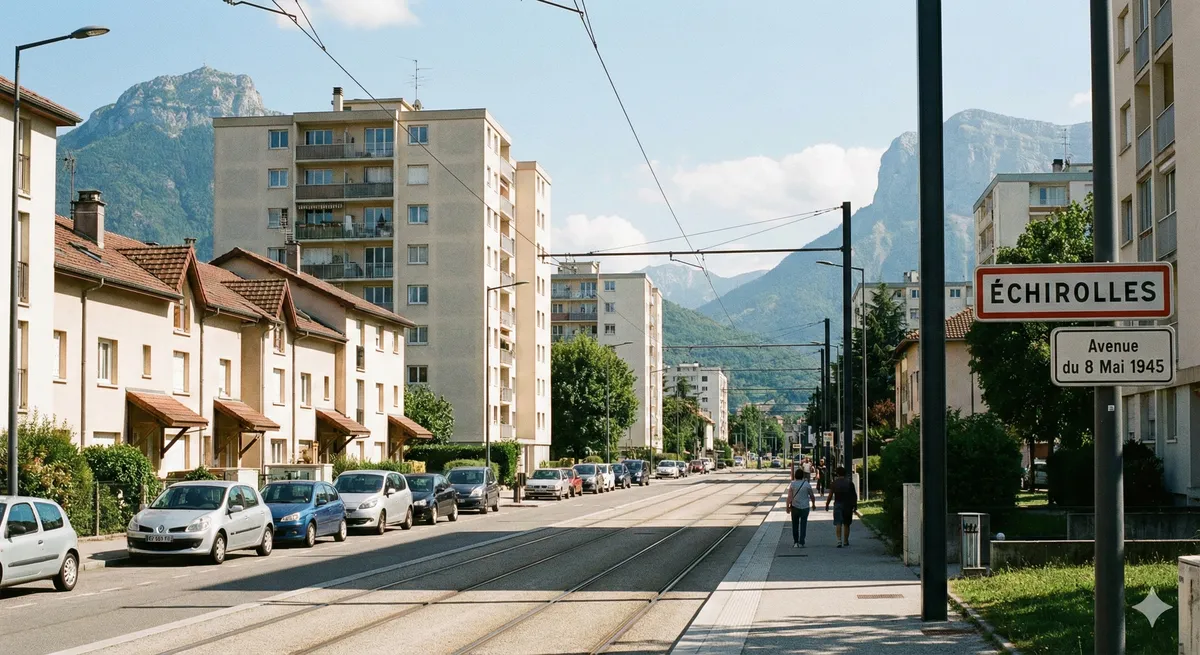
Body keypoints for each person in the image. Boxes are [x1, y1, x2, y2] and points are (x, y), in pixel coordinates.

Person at [824, 466, 858, 547]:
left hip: (838, 504)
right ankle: (846, 541)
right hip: (848, 505)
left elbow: (830, 495)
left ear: (837, 474)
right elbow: (854, 495)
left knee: (838, 523)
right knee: (846, 524)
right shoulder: (850, 483)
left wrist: (827, 504)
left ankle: (839, 540)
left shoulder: (834, 483)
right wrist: (855, 505)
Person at [786, 467, 816, 547]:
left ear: (795, 475)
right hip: (805, 507)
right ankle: (802, 542)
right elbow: (812, 496)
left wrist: (787, 507)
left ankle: (796, 542)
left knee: (795, 525)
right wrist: (813, 504)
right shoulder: (807, 484)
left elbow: (789, 497)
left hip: (795, 507)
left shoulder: (792, 484)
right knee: (803, 524)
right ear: (803, 476)